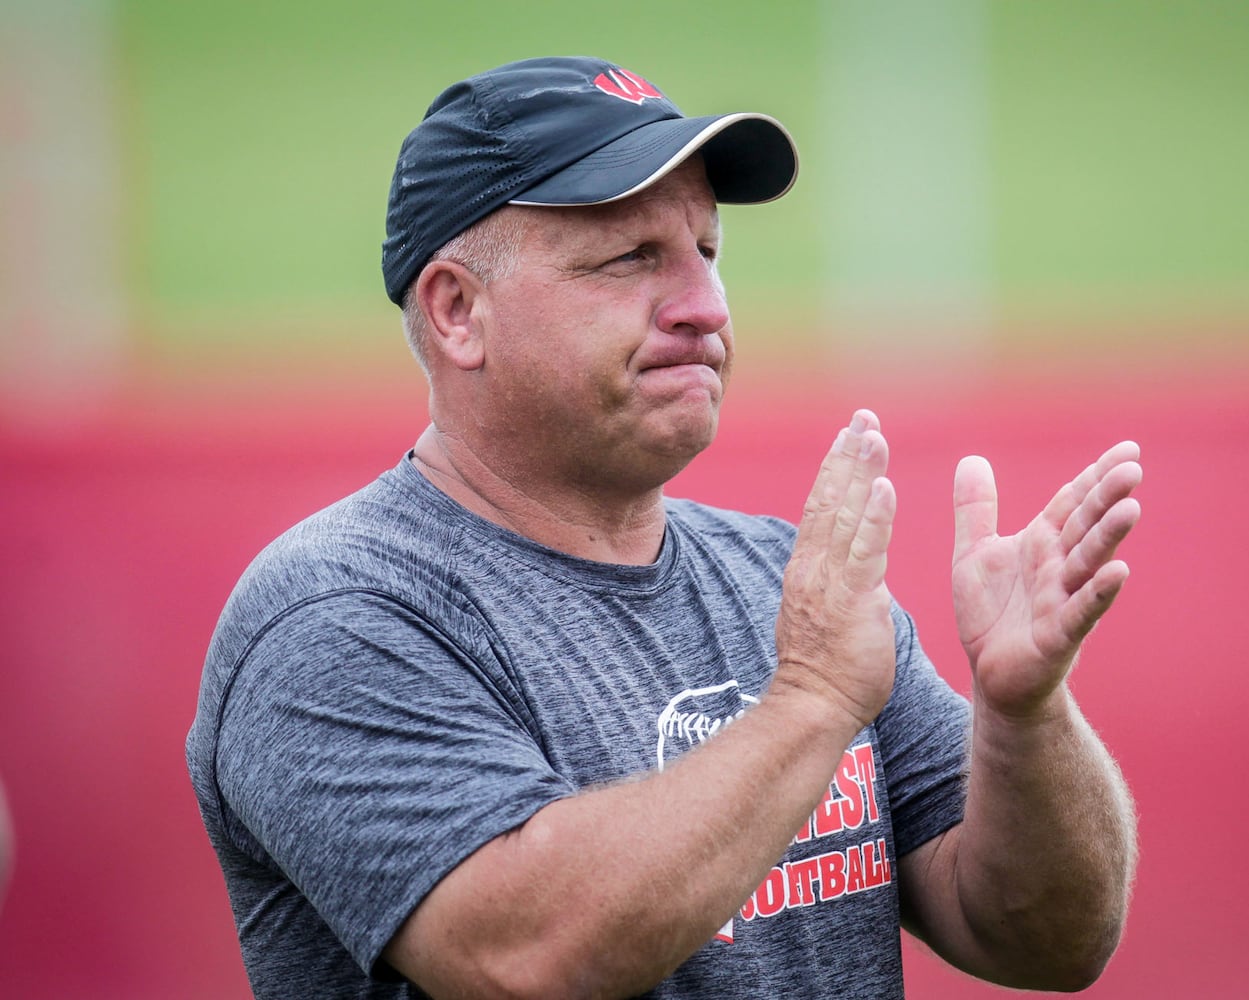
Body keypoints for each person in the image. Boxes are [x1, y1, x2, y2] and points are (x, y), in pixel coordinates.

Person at [187, 55, 1143, 999]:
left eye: (709, 253)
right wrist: (809, 701)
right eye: (631, 257)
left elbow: (1047, 938)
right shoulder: (335, 619)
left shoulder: (785, 584)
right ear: (458, 311)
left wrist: (1024, 716)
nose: (706, 307)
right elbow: (525, 958)